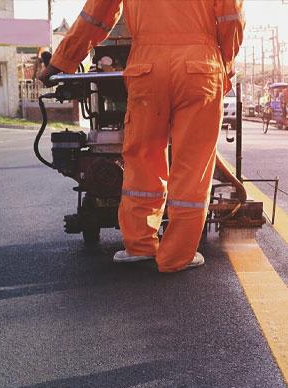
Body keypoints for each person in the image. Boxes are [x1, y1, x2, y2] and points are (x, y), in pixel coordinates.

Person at [39, 0, 245, 273]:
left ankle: (140, 246)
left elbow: (95, 15)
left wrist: (60, 62)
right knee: (193, 165)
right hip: (201, 68)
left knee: (143, 156)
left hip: (146, 68)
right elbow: (233, 18)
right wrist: (224, 64)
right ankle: (177, 256)